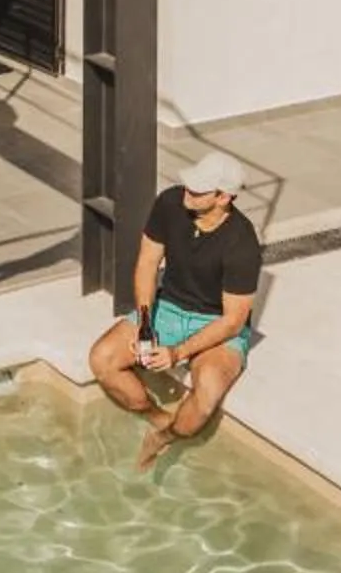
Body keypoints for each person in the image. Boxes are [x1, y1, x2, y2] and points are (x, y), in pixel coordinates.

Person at [88, 150, 262, 469]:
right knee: (102, 359)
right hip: (168, 307)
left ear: (224, 197)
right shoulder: (170, 204)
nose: (188, 192)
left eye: (198, 190)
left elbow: (234, 321)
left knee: (207, 393)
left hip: (216, 322)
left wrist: (177, 353)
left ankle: (164, 437)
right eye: (189, 184)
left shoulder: (243, 244)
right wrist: (144, 323)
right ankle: (156, 416)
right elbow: (147, 264)